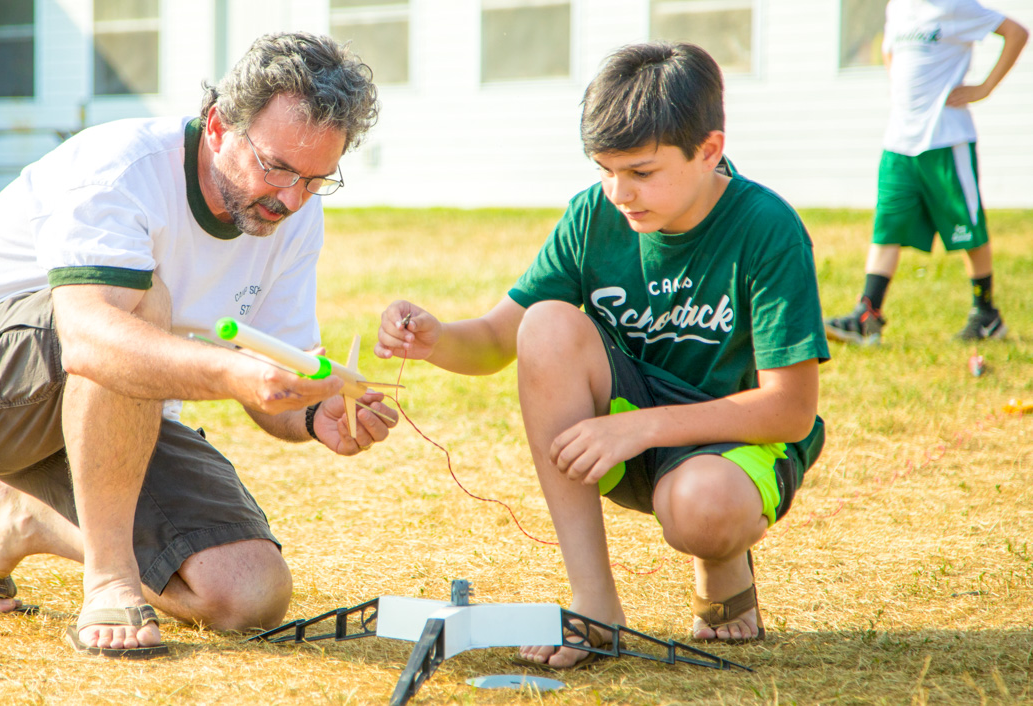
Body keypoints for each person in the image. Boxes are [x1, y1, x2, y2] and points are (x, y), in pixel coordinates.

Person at [0, 32, 396, 660]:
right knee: (138, 304)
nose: (290, 198)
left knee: (248, 594)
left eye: (316, 180)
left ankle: (24, 516)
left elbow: (276, 378)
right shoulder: (122, 165)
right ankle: (109, 578)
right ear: (217, 126)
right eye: (277, 166)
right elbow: (95, 339)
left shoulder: (294, 216)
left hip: (118, 405)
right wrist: (229, 373)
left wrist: (315, 413)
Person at [375, 42, 829, 667]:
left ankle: (721, 560)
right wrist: (436, 338)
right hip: (622, 436)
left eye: (641, 172)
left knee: (702, 509)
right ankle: (595, 605)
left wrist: (639, 426)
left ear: (709, 151)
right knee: (547, 324)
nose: (619, 192)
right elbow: (498, 338)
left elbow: (791, 411)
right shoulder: (593, 215)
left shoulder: (766, 227)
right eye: (603, 169)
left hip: (731, 443)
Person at [825, 0, 1027, 345]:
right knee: (887, 225)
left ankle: (986, 315)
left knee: (967, 227)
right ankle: (867, 314)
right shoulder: (897, 8)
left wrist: (984, 88)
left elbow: (1016, 32)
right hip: (900, 141)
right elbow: (890, 53)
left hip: (946, 137)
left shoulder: (953, 6)